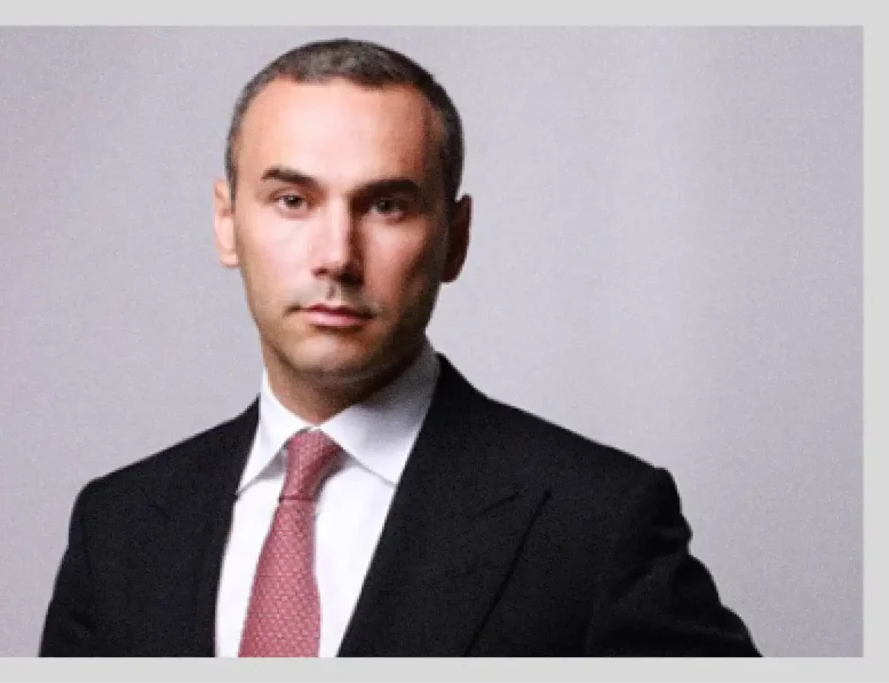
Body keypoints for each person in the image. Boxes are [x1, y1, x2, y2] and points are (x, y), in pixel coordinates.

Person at [39, 37, 760, 657]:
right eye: (292, 200)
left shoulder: (595, 522)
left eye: (386, 205)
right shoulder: (118, 526)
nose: (336, 255)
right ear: (227, 224)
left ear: (455, 238)